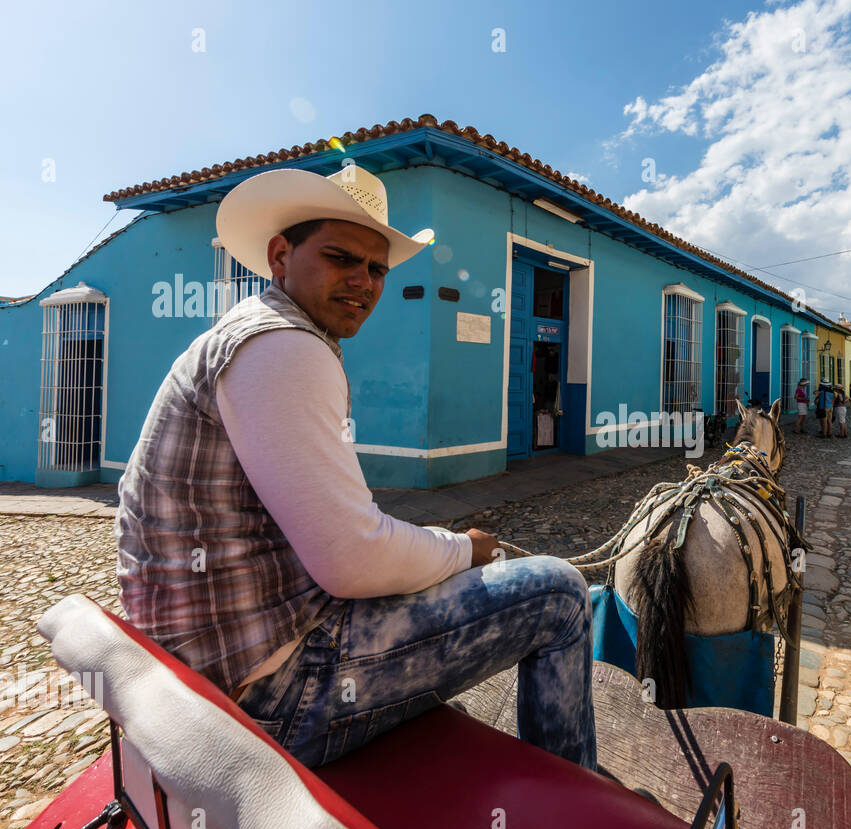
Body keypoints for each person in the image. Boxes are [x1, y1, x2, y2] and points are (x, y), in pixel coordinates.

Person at [114, 165, 596, 771]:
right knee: (560, 592)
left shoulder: (248, 337)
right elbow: (352, 559)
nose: (363, 282)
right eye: (342, 259)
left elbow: (335, 530)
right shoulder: (285, 347)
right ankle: (574, 795)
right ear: (280, 255)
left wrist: (426, 552)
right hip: (272, 693)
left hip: (218, 668)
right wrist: (463, 549)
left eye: (377, 269)